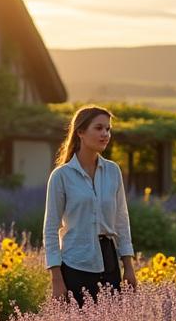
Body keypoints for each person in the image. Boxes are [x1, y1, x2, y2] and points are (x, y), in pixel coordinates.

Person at [43, 105, 138, 306]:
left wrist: (128, 267)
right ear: (80, 132)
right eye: (99, 128)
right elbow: (50, 229)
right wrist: (56, 279)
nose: (105, 134)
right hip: (75, 266)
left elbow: (122, 221)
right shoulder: (61, 176)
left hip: (110, 264)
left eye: (108, 129)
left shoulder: (113, 171)